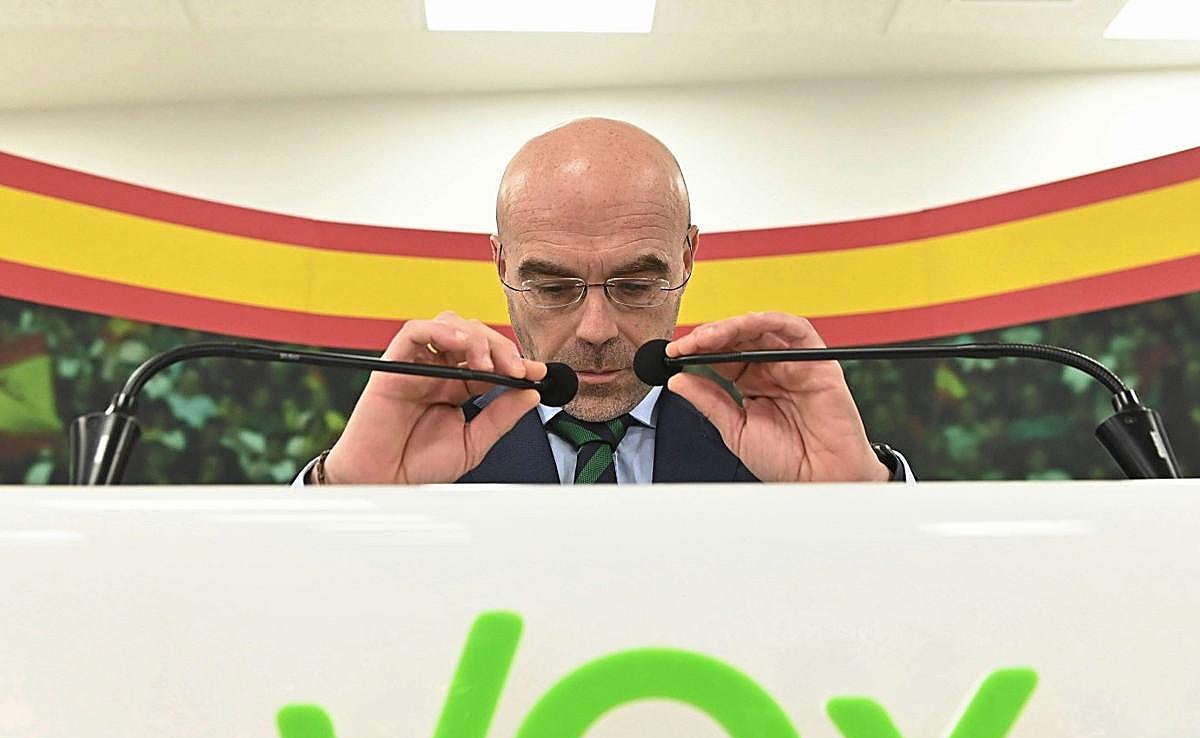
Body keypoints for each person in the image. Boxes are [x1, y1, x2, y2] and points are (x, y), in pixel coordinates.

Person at [300, 118, 910, 486]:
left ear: (688, 257)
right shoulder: (420, 454)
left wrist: (865, 498)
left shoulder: (773, 456)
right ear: (502, 265)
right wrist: (341, 492)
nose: (596, 330)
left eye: (636, 286)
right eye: (553, 288)